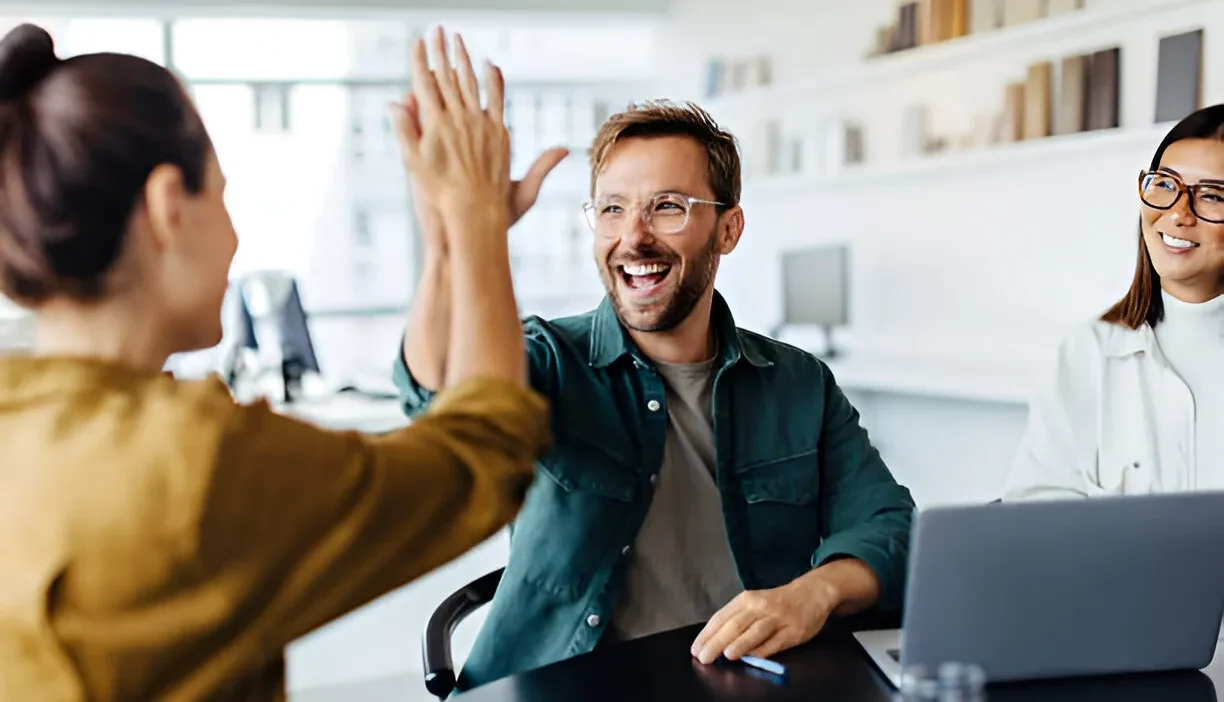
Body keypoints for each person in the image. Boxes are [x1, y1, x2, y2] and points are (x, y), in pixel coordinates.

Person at [0, 24, 549, 701]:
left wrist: (447, 243)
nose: (235, 237)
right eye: (223, 196)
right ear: (169, 206)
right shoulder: (192, 460)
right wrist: (475, 214)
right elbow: (484, 454)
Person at [395, 83, 916, 688]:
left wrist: (816, 592)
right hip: (556, 686)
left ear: (727, 230)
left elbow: (892, 528)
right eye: (612, 208)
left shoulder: (800, 384)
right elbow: (436, 396)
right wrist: (452, 236)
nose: (634, 236)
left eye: (667, 206)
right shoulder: (548, 361)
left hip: (735, 685)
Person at [1004, 104, 1224, 500]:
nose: (1176, 214)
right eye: (1165, 185)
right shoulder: (1087, 354)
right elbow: (1035, 511)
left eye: (1211, 195)